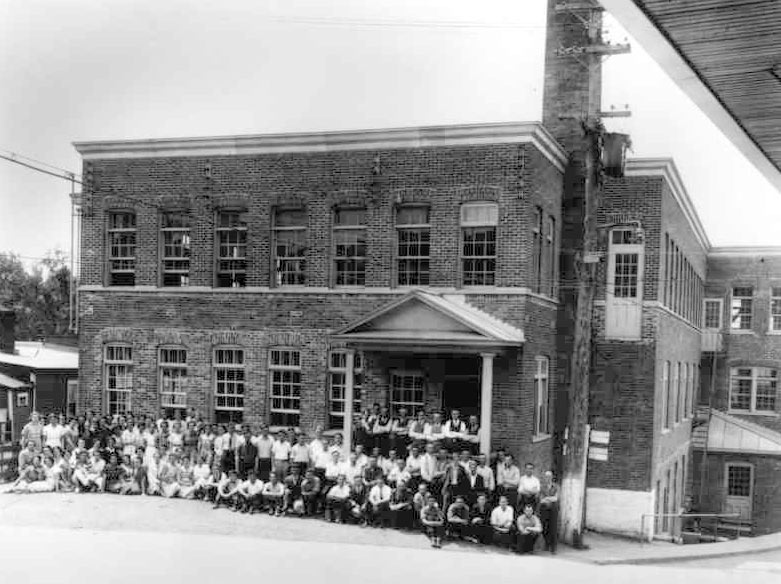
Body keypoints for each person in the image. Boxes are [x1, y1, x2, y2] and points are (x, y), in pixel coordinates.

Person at [538, 470, 559, 554]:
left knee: (553, 528)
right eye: (546, 476)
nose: (548, 478)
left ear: (552, 477)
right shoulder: (542, 487)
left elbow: (556, 498)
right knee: (544, 527)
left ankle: (553, 547)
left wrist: (547, 498)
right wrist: (550, 498)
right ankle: (547, 544)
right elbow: (541, 500)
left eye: (549, 476)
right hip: (544, 509)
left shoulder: (556, 486)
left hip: (553, 509)